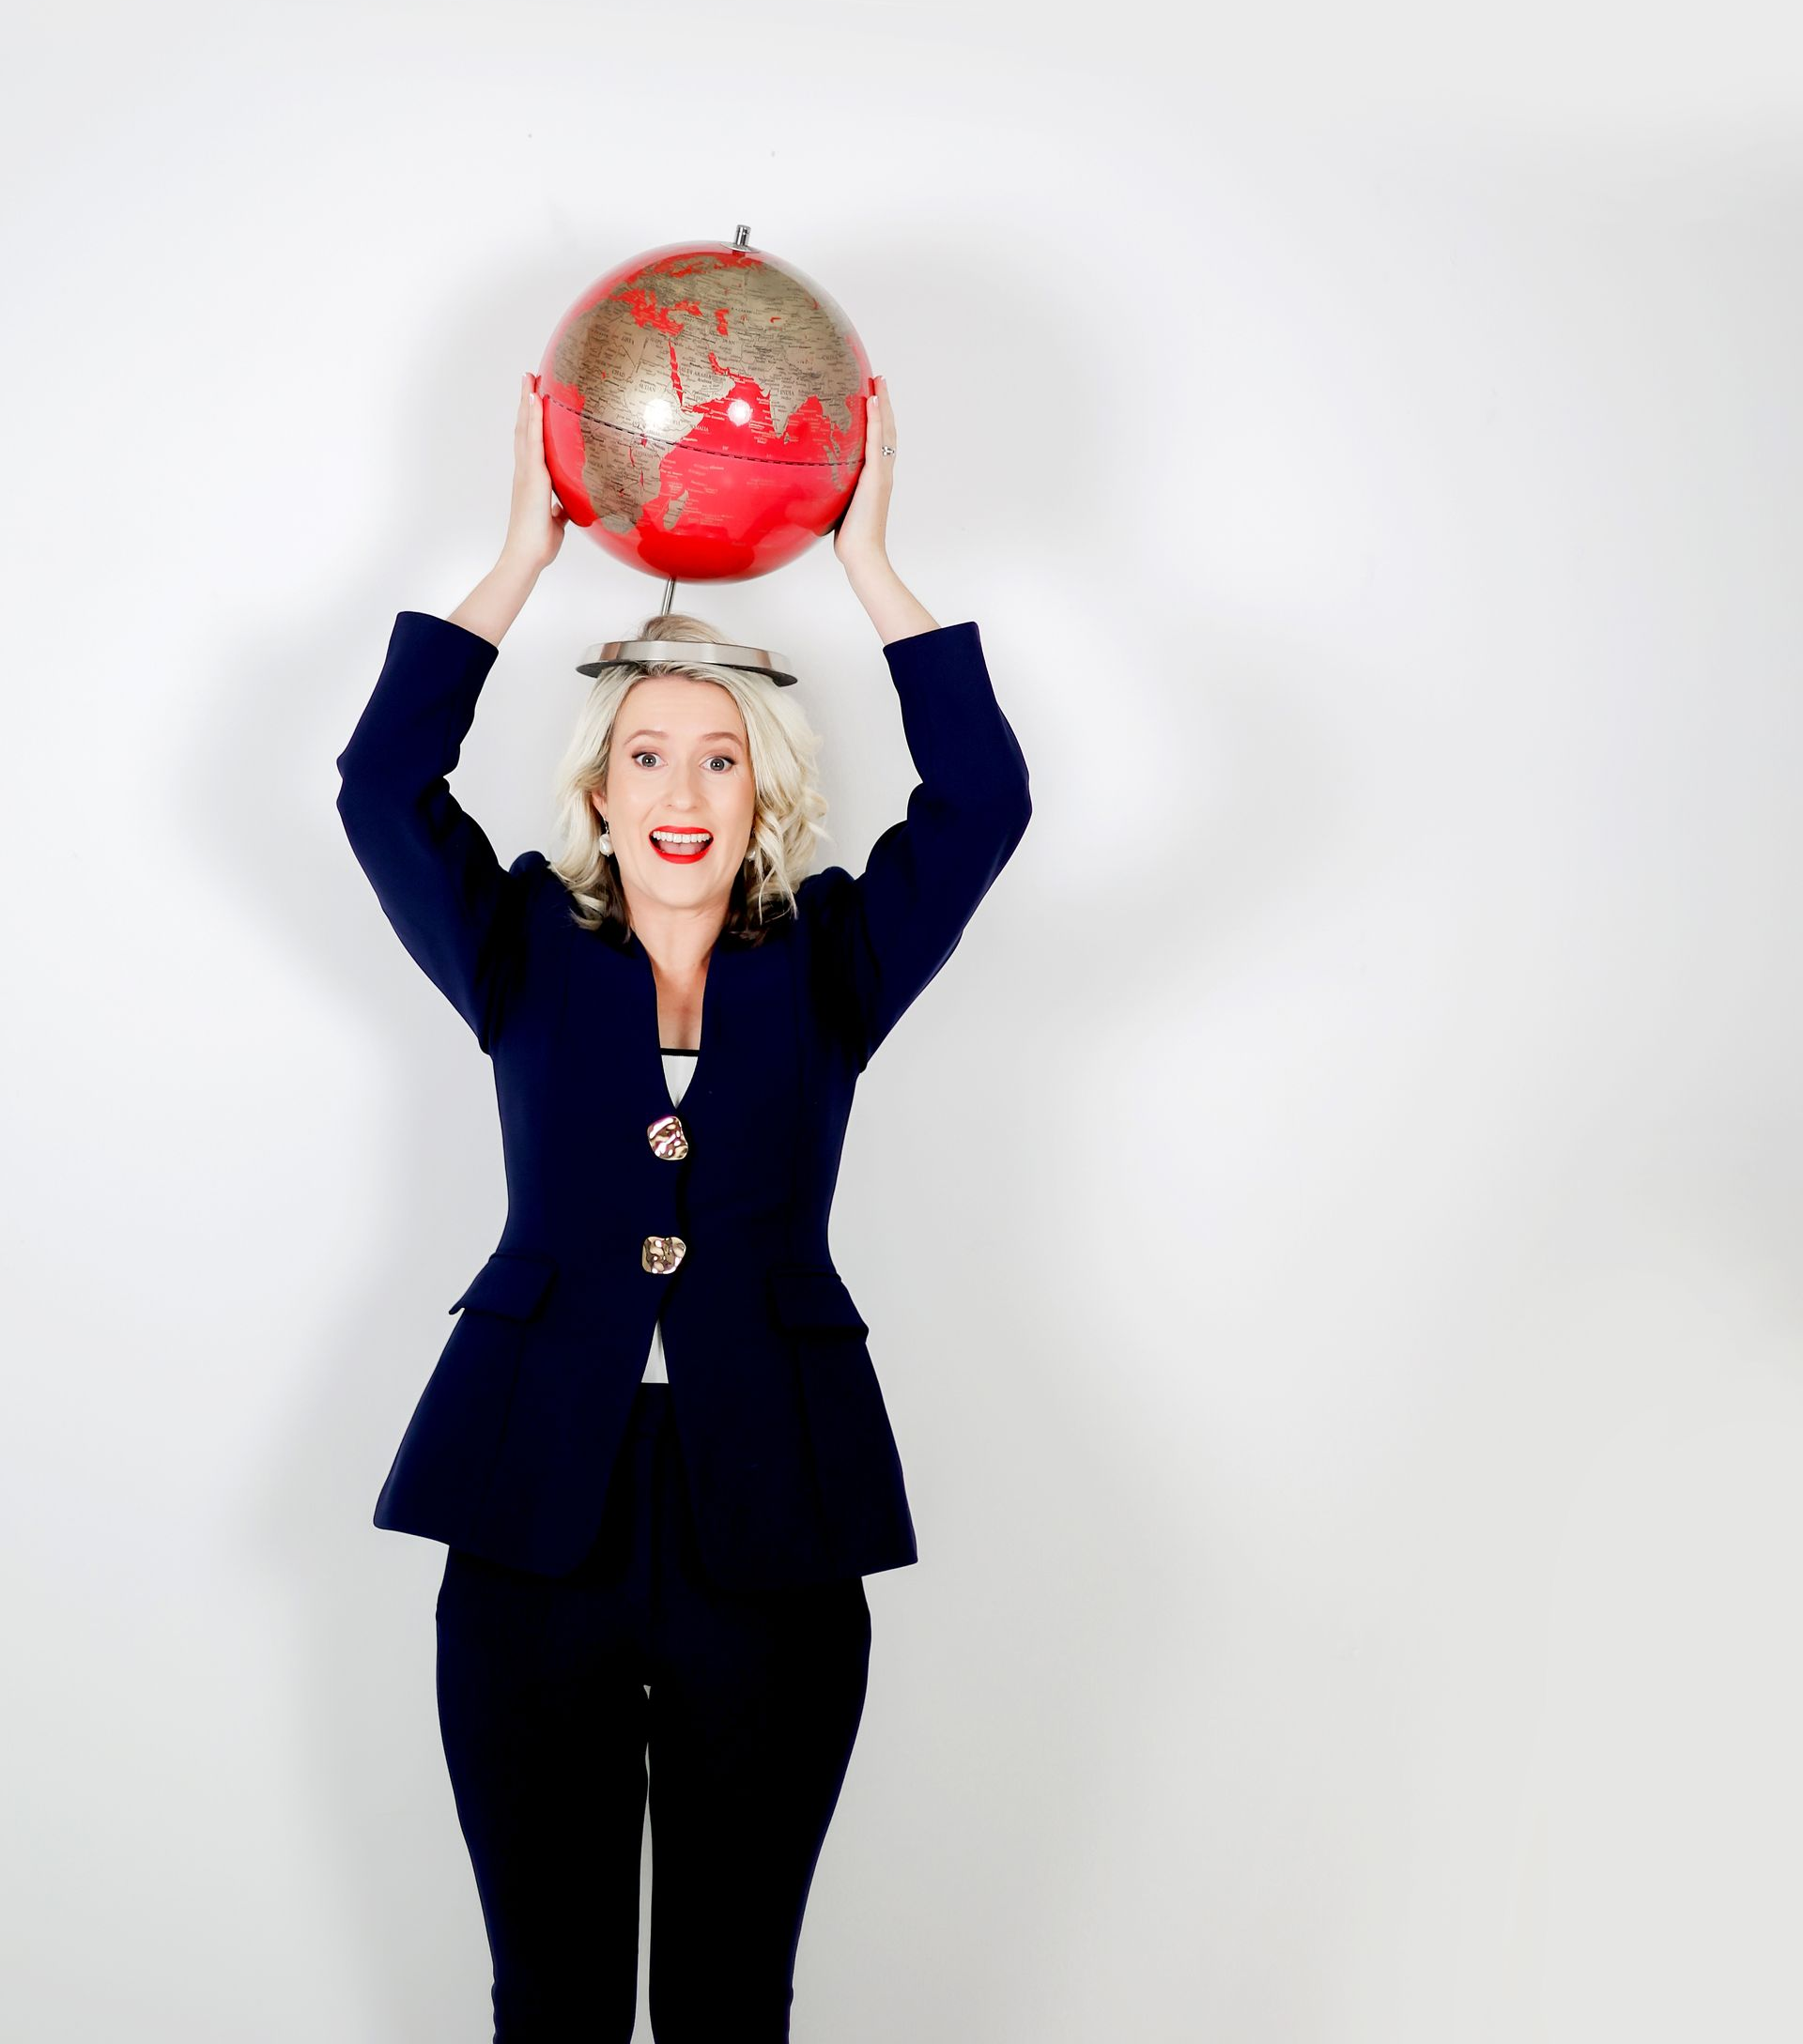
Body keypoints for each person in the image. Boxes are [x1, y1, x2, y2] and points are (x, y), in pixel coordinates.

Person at [333, 367, 1032, 2039]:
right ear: (594, 790)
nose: (683, 789)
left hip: (770, 1528)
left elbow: (987, 807)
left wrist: (870, 561)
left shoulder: (833, 968)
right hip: (533, 1528)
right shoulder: (517, 954)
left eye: (721, 761)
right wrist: (522, 553)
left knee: (731, 1999)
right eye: (647, 753)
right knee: (553, 1998)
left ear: (761, 800)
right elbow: (377, 791)